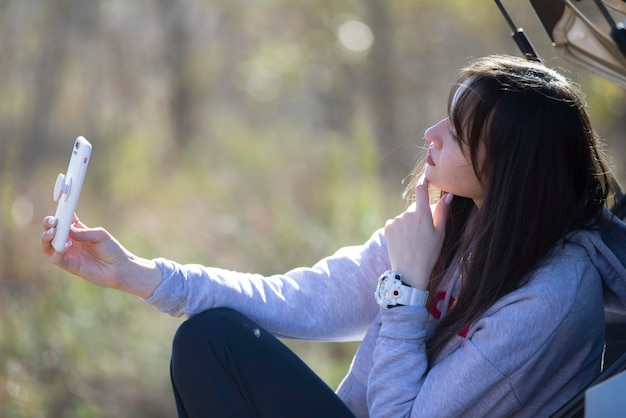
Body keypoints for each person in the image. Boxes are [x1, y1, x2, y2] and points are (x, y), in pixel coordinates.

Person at [41, 54, 626, 417]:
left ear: (510, 166)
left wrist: (407, 289)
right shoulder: (455, 223)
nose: (431, 132)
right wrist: (142, 276)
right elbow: (303, 297)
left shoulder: (550, 298)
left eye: (457, 131)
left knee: (214, 343)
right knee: (210, 340)